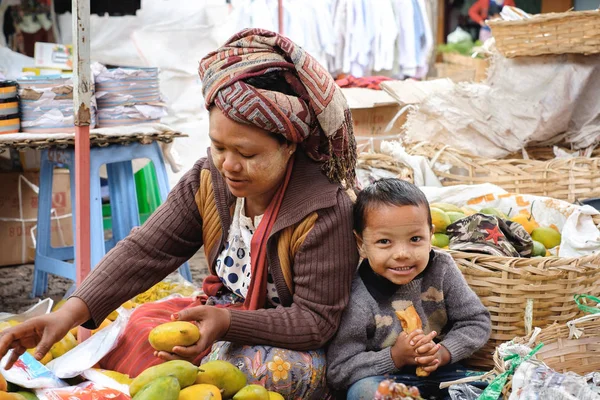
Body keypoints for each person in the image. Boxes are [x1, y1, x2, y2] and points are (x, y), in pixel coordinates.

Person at [0, 28, 359, 398]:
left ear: (289, 146)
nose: (228, 165)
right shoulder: (208, 178)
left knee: (269, 373)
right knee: (135, 328)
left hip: (291, 337)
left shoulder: (324, 209)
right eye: (218, 146)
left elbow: (316, 321)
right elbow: (147, 250)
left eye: (247, 154)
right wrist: (67, 314)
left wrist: (226, 322)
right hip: (221, 312)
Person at [326, 178, 491, 399]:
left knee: (493, 384)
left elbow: (476, 321)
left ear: (430, 235)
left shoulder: (442, 269)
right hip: (388, 380)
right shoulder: (358, 296)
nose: (402, 253)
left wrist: (442, 353)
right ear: (361, 244)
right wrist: (394, 357)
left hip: (444, 374)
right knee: (364, 392)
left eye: (415, 239)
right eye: (384, 241)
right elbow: (339, 370)